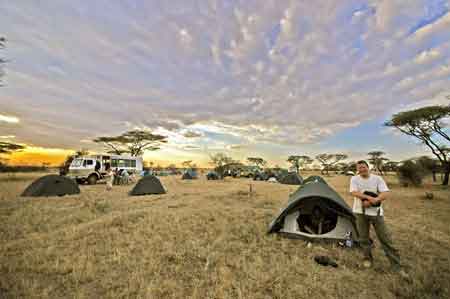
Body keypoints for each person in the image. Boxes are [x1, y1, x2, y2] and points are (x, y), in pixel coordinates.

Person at [350, 160, 408, 277]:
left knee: (385, 238)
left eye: (363, 167)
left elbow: (385, 193)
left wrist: (374, 201)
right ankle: (367, 258)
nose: (362, 170)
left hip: (376, 213)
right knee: (363, 238)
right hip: (359, 212)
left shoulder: (377, 179)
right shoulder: (354, 179)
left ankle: (396, 265)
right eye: (359, 168)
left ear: (368, 167)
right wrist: (368, 198)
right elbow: (354, 192)